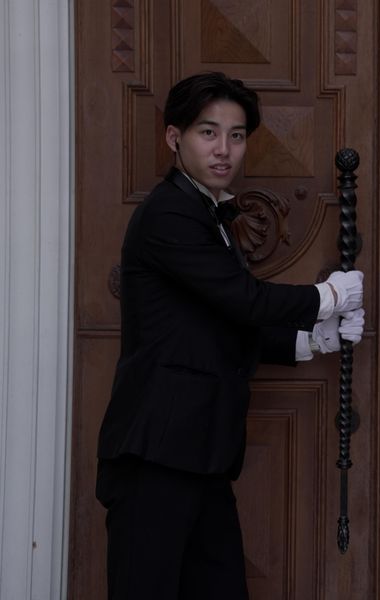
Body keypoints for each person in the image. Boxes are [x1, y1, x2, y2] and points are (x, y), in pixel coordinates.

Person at [95, 72, 365, 599]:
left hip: (202, 454)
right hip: (156, 457)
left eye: (237, 136)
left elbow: (215, 322)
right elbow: (243, 299)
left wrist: (310, 341)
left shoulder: (207, 210)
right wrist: (327, 296)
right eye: (209, 132)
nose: (224, 149)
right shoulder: (169, 212)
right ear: (174, 138)